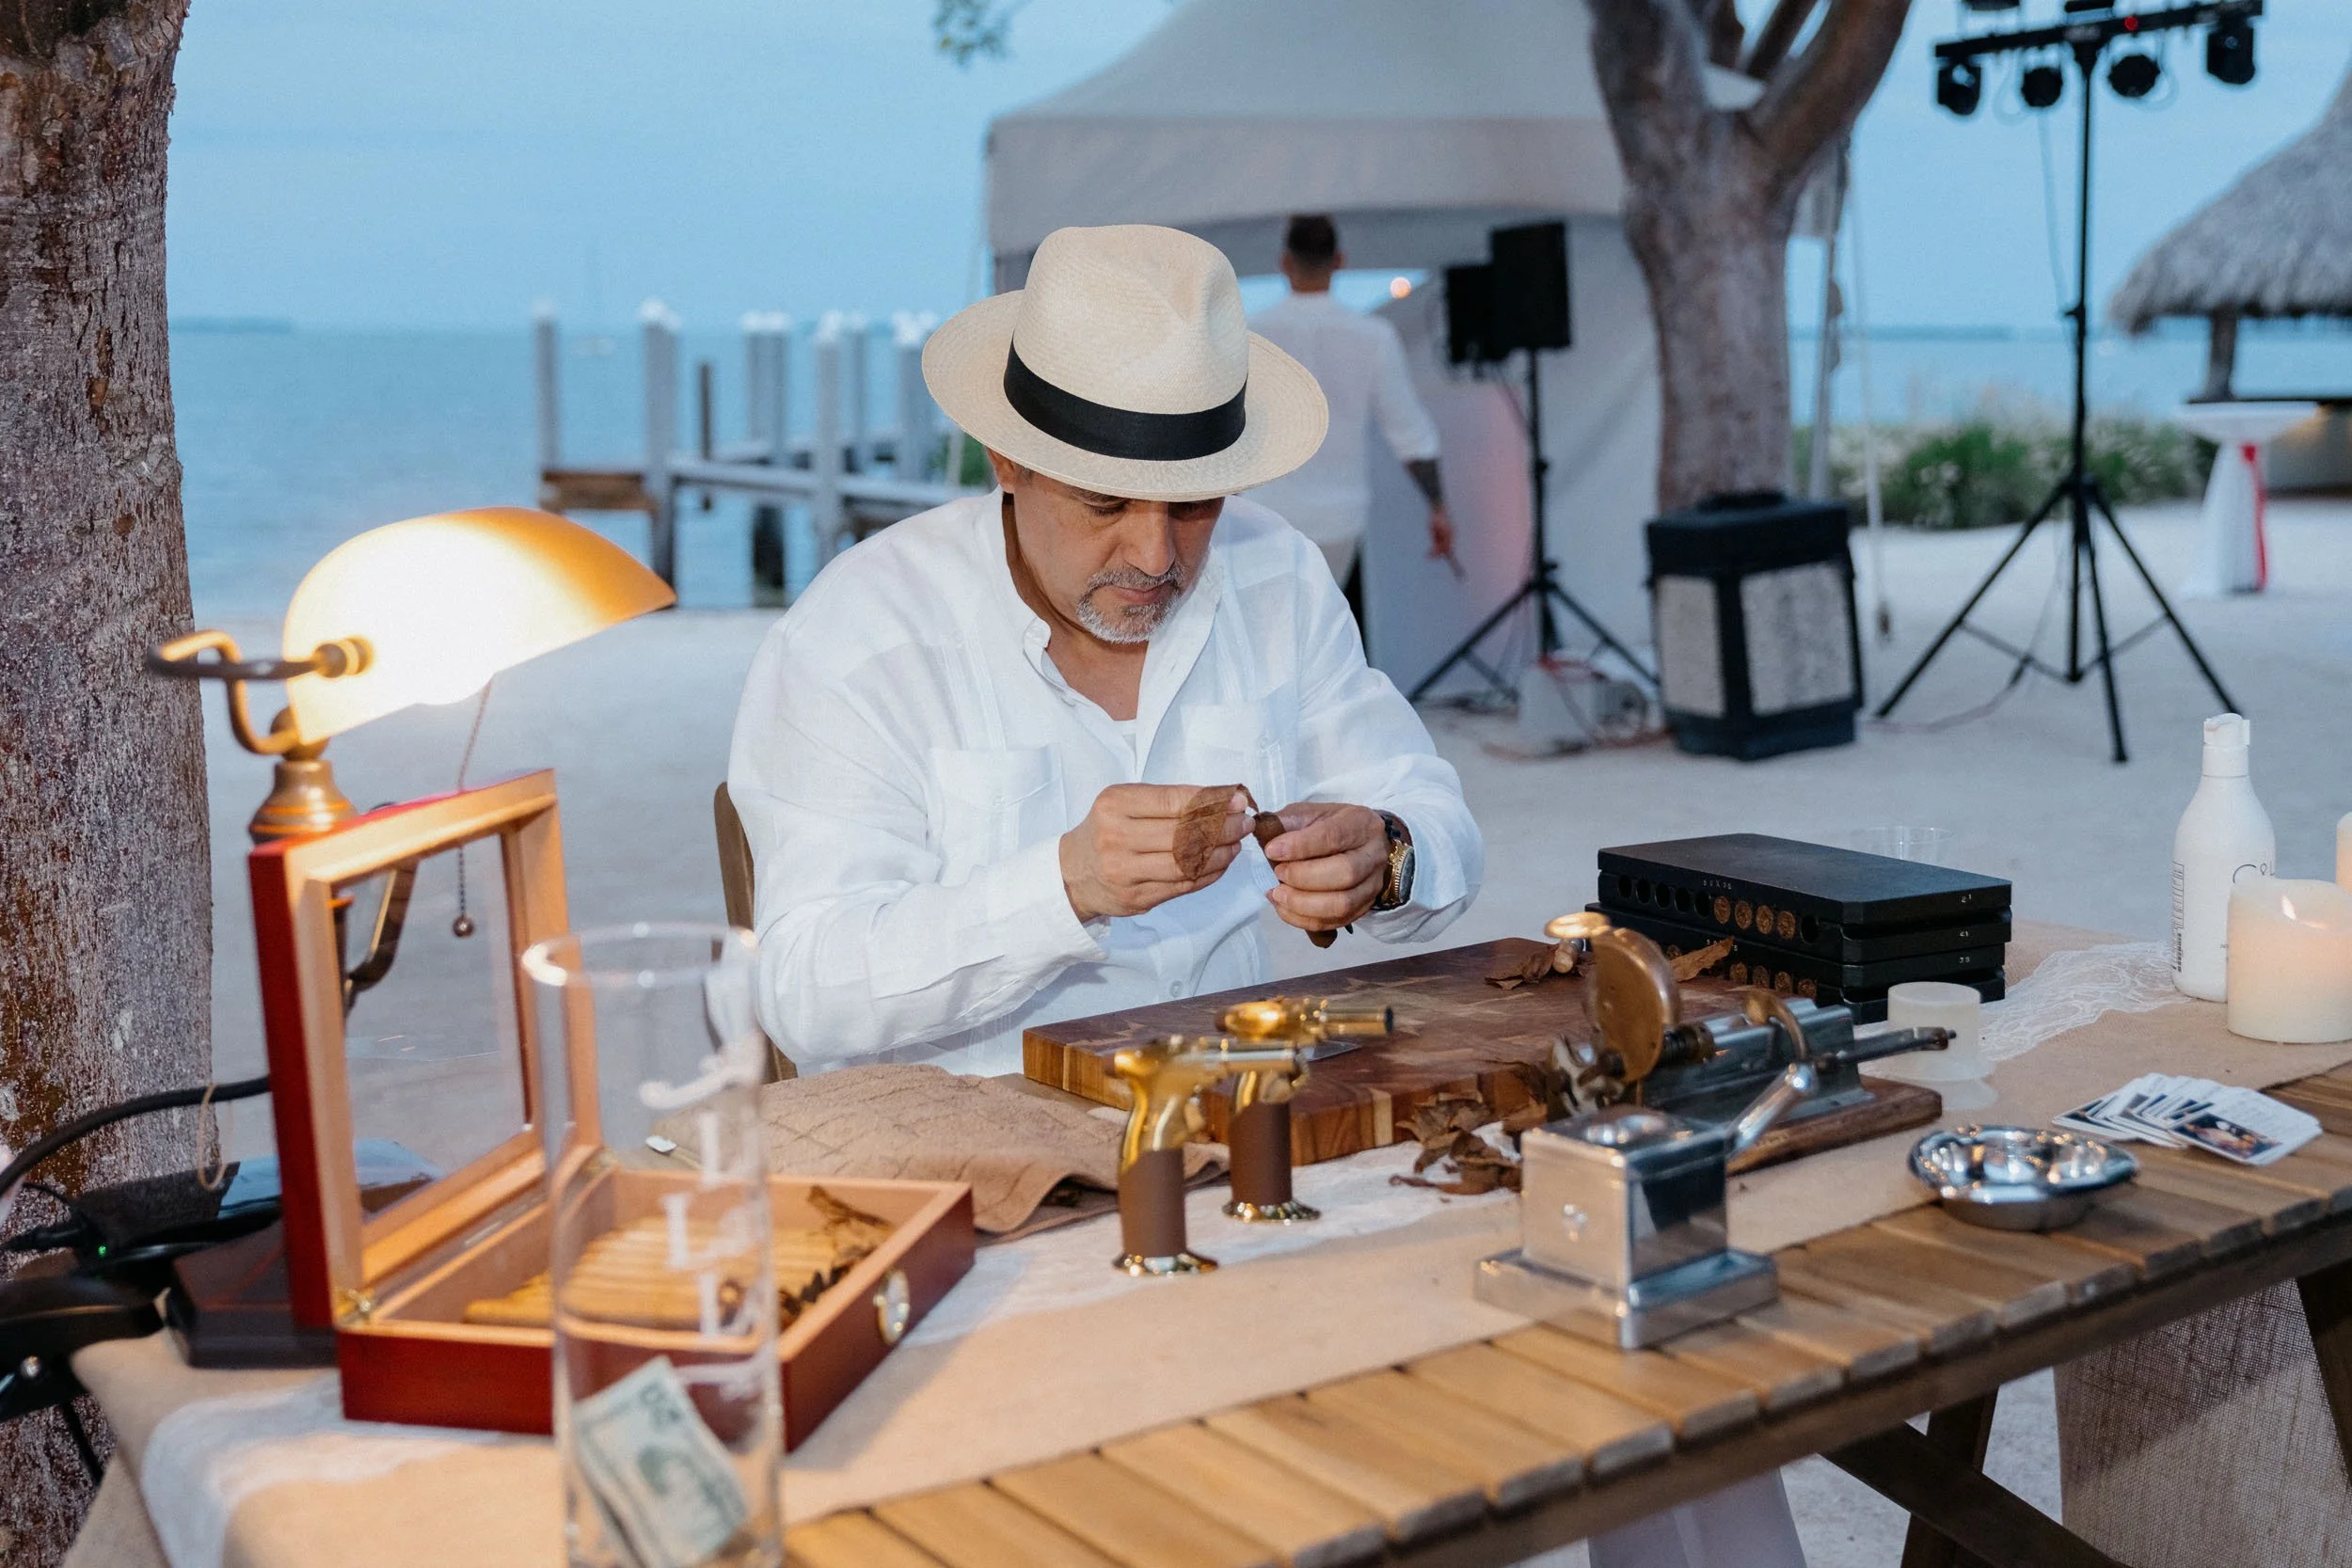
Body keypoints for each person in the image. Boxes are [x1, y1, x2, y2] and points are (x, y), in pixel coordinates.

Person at [726, 223, 1482, 1075]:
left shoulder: (1277, 577)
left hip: (1235, 1101)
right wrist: (1063, 887)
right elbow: (804, 992)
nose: (1156, 558)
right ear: (1007, 460)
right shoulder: (862, 635)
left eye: (1194, 505)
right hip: (978, 1144)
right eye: (1105, 505)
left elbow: (1435, 812)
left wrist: (1386, 855)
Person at [1246, 214, 1454, 633]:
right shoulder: (1372, 337)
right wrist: (1437, 506)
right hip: (1339, 516)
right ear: (1339, 260)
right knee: (1321, 635)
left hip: (1263, 512)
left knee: (1267, 635)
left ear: (1284, 262)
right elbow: (1410, 434)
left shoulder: (1252, 334)